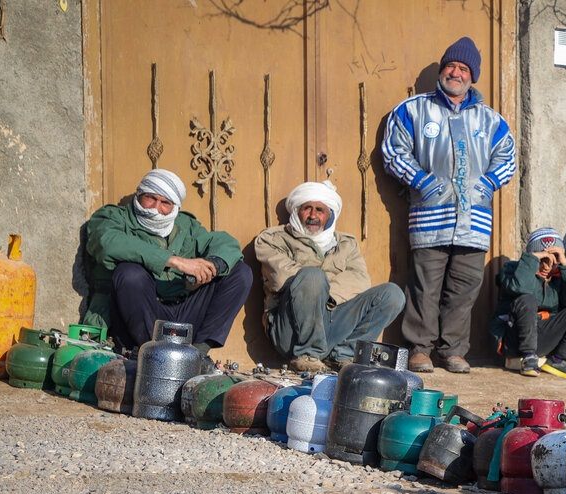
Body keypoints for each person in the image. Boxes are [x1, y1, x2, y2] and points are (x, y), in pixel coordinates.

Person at [382, 36, 516, 374]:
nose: (455, 72)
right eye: (450, 66)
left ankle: (453, 350)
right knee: (425, 287)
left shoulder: (491, 120)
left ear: (473, 76)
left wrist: (485, 184)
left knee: (464, 289)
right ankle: (420, 350)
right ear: (442, 71)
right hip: (429, 215)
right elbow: (393, 152)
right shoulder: (412, 109)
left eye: (463, 68)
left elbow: (508, 160)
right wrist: (424, 183)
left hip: (475, 220)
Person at [83, 168, 252, 357]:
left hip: (179, 312)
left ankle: (197, 354)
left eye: (165, 203)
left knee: (240, 272)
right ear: (139, 195)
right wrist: (174, 261)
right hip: (135, 319)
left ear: (175, 206)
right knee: (129, 273)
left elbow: (223, 243)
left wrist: (212, 265)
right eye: (150, 198)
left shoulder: (186, 226)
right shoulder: (112, 217)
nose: (156, 208)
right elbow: (107, 242)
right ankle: (154, 355)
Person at [253, 180, 406, 373]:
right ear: (296, 211)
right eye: (307, 208)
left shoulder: (346, 244)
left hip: (334, 324)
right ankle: (307, 355)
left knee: (392, 294)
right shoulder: (273, 239)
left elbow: (360, 280)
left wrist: (325, 293)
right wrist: (317, 283)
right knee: (311, 276)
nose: (313, 215)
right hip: (291, 332)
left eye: (319, 210)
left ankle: (343, 355)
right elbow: (282, 276)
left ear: (329, 215)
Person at [490, 227, 566, 380]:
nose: (546, 266)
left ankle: (559, 360)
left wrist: (564, 263)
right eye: (542, 260)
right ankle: (529, 357)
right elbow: (519, 287)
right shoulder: (512, 269)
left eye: (551, 260)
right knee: (527, 299)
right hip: (514, 339)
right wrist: (533, 259)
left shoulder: (558, 276)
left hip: (541, 335)